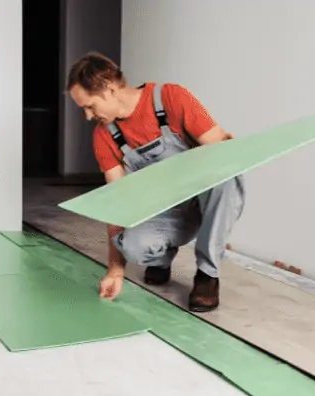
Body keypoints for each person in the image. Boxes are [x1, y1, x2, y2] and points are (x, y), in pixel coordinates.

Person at [66, 51, 245, 312]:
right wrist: (116, 270)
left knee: (227, 176)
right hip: (164, 213)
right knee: (133, 247)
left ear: (109, 88)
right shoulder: (105, 135)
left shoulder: (172, 97)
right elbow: (118, 202)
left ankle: (208, 275)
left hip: (200, 201)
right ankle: (160, 260)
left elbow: (220, 153)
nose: (88, 116)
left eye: (89, 106)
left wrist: (228, 147)